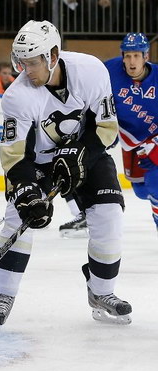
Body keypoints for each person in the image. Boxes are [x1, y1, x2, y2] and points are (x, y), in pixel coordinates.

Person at [0, 20, 132, 331]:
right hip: (36, 164)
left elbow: (106, 129)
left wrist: (82, 152)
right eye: (22, 62)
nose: (27, 69)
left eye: (33, 61)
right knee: (18, 218)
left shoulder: (90, 70)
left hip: (86, 154)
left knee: (109, 214)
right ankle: (3, 295)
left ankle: (102, 292)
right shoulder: (16, 96)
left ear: (53, 55)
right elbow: (14, 156)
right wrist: (27, 189)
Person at [105, 33, 158, 233]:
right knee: (141, 191)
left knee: (155, 184)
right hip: (132, 141)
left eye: (136, 55)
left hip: (155, 138)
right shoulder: (110, 69)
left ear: (146, 56)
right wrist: (105, 128)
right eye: (127, 56)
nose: (131, 61)